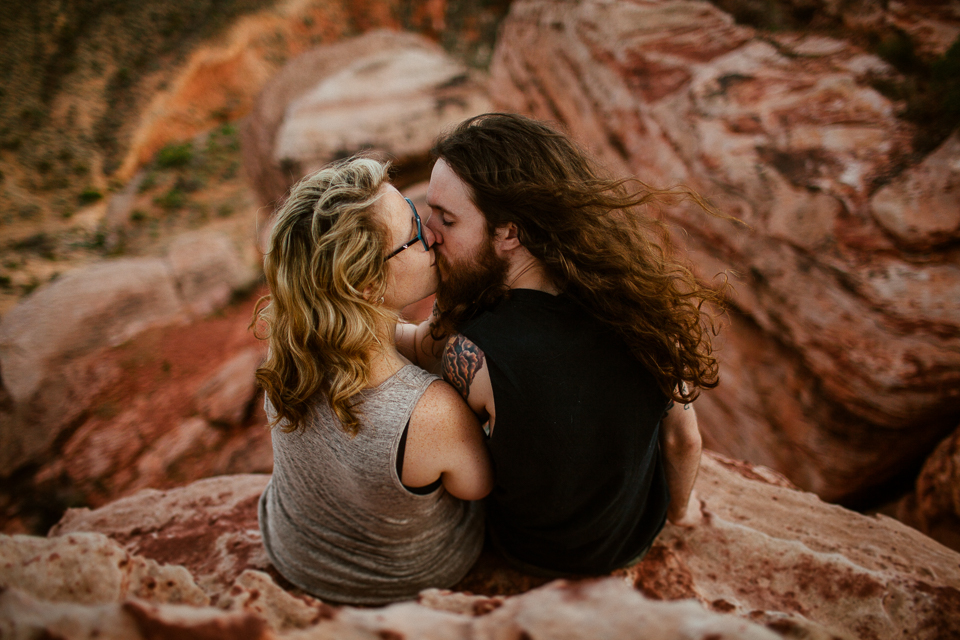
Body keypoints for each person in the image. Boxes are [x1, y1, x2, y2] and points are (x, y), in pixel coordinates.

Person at [396, 113, 721, 576]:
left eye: (446, 218)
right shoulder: (644, 310)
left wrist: (348, 313)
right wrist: (678, 513)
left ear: (509, 233)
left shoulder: (473, 350)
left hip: (532, 556)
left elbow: (415, 350)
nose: (428, 233)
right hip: (630, 543)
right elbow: (685, 440)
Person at [254, 156, 492, 605]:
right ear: (364, 284)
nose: (432, 235)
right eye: (414, 236)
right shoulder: (429, 410)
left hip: (295, 552)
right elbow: (475, 488)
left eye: (411, 208)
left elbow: (412, 342)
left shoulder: (293, 342)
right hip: (402, 579)